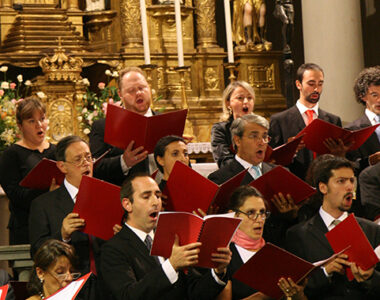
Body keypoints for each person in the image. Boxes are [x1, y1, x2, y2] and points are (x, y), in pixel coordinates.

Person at [100, 173, 232, 300]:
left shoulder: (171, 238)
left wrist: (218, 271)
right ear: (127, 204)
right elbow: (128, 296)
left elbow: (194, 293)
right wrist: (171, 265)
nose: (155, 202)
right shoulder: (113, 249)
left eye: (158, 196)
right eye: (146, 197)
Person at [286, 156, 380, 299]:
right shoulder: (298, 235)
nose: (349, 187)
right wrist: (325, 272)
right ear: (323, 187)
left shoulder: (372, 230)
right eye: (341, 181)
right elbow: (295, 289)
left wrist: (370, 277)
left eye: (351, 181)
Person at [29, 136, 104, 300]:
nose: (86, 163)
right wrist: (63, 235)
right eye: (78, 159)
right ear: (62, 166)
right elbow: (36, 251)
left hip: (107, 284)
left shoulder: (107, 196)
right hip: (70, 285)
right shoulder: (43, 204)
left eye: (89, 157)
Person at [208, 114, 298, 247]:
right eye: (254, 136)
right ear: (237, 140)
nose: (261, 142)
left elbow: (294, 220)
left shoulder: (281, 173)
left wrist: (290, 214)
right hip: (240, 252)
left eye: (264, 136)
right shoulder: (220, 178)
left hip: (279, 247)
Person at [216, 185, 307, 300]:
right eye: (251, 213)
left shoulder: (277, 251)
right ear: (234, 216)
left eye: (262, 212)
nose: (259, 219)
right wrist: (262, 297)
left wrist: (298, 296)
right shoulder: (224, 255)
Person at [269, 63, 344, 180]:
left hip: (326, 182)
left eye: (320, 84)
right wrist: (290, 150)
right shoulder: (279, 120)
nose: (316, 89)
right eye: (311, 84)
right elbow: (271, 160)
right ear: (298, 84)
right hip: (295, 182)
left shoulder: (333, 120)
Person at [0, 96, 57, 246]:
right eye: (31, 121)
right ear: (20, 125)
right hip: (25, 228)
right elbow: (15, 194)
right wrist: (47, 191)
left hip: (55, 226)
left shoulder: (56, 151)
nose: (40, 125)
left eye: (42, 118)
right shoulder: (11, 154)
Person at [89, 66, 156, 186]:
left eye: (142, 88)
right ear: (120, 94)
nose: (139, 93)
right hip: (123, 199)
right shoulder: (103, 127)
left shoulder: (166, 122)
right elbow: (95, 168)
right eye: (131, 90)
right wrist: (124, 162)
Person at [211, 81, 255, 168]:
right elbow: (224, 161)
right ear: (228, 103)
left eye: (249, 98)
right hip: (236, 177)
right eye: (240, 98)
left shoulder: (261, 127)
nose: (246, 101)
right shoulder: (221, 129)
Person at [345, 66, 380, 171]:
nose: (379, 100)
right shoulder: (352, 130)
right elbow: (351, 167)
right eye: (375, 95)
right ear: (362, 96)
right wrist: (369, 161)